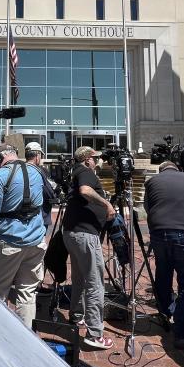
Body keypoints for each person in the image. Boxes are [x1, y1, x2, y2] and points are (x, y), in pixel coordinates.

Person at [143, 160, 184, 348]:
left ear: (161, 170)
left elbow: (149, 209)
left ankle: (167, 313)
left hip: (159, 234)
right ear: (177, 168)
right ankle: (182, 334)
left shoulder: (151, 182)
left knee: (163, 276)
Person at [0, 144, 47, 326]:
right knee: (27, 293)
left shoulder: (0, 176)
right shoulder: (37, 172)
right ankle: (26, 336)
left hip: (8, 242)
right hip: (36, 241)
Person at [62, 146, 116, 350]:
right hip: (84, 234)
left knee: (80, 279)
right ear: (86, 160)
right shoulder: (85, 171)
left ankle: (76, 316)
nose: (98, 161)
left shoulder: (76, 171)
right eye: (95, 158)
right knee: (95, 282)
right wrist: (107, 204)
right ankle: (95, 333)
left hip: (72, 233)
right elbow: (85, 191)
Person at [25, 141, 56, 231]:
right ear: (37, 155)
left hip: (24, 215)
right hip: (39, 216)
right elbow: (48, 192)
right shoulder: (39, 171)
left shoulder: (20, 169)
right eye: (41, 155)